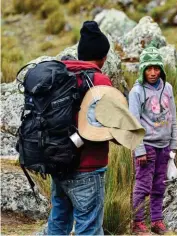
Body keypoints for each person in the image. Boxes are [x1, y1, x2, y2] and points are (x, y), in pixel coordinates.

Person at [47, 21, 112, 235]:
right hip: (88, 168)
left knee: (58, 225)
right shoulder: (99, 80)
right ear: (103, 57)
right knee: (89, 228)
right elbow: (114, 124)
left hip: (58, 164)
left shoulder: (60, 76)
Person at [129, 43, 177, 235]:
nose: (153, 72)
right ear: (142, 69)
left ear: (161, 69)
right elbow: (133, 122)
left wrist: (173, 146)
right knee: (142, 185)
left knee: (159, 185)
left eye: (156, 68)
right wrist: (138, 148)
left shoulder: (168, 88)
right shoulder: (137, 92)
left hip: (164, 146)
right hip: (146, 146)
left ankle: (157, 221)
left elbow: (173, 118)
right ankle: (137, 223)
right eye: (148, 68)